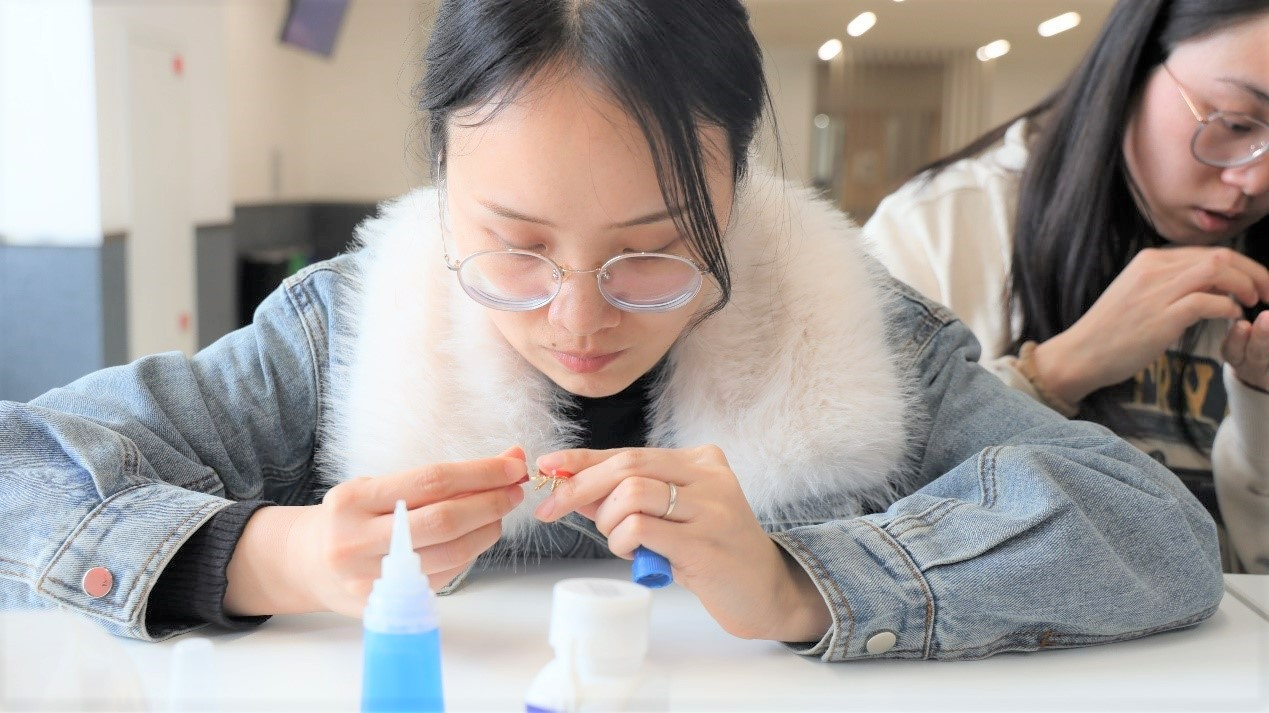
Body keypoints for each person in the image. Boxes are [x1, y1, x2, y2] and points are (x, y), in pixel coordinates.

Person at [0, 0, 1223, 659]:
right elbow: (19, 469)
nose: (579, 320)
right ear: (442, 184)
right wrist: (270, 556)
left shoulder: (852, 330)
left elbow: (1154, 529)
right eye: (516, 247)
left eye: (654, 252)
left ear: (736, 200)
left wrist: (806, 581)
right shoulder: (352, 329)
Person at [863, 0, 1269, 573]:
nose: (1254, 180)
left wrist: (1259, 404)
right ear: (1134, 66)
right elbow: (856, 514)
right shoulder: (942, 225)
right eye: (1235, 123)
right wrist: (1054, 372)